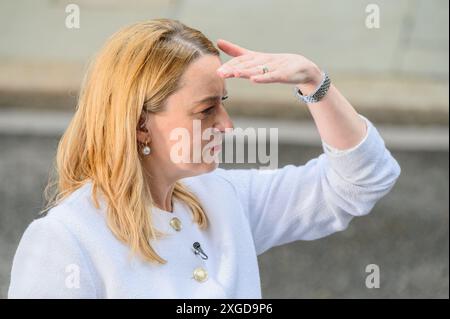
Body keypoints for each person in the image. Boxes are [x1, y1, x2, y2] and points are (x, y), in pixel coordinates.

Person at [8, 18, 401, 298]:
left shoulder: (221, 196)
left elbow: (361, 182)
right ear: (140, 124)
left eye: (223, 104)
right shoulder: (67, 240)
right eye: (206, 109)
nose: (227, 126)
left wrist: (315, 83)